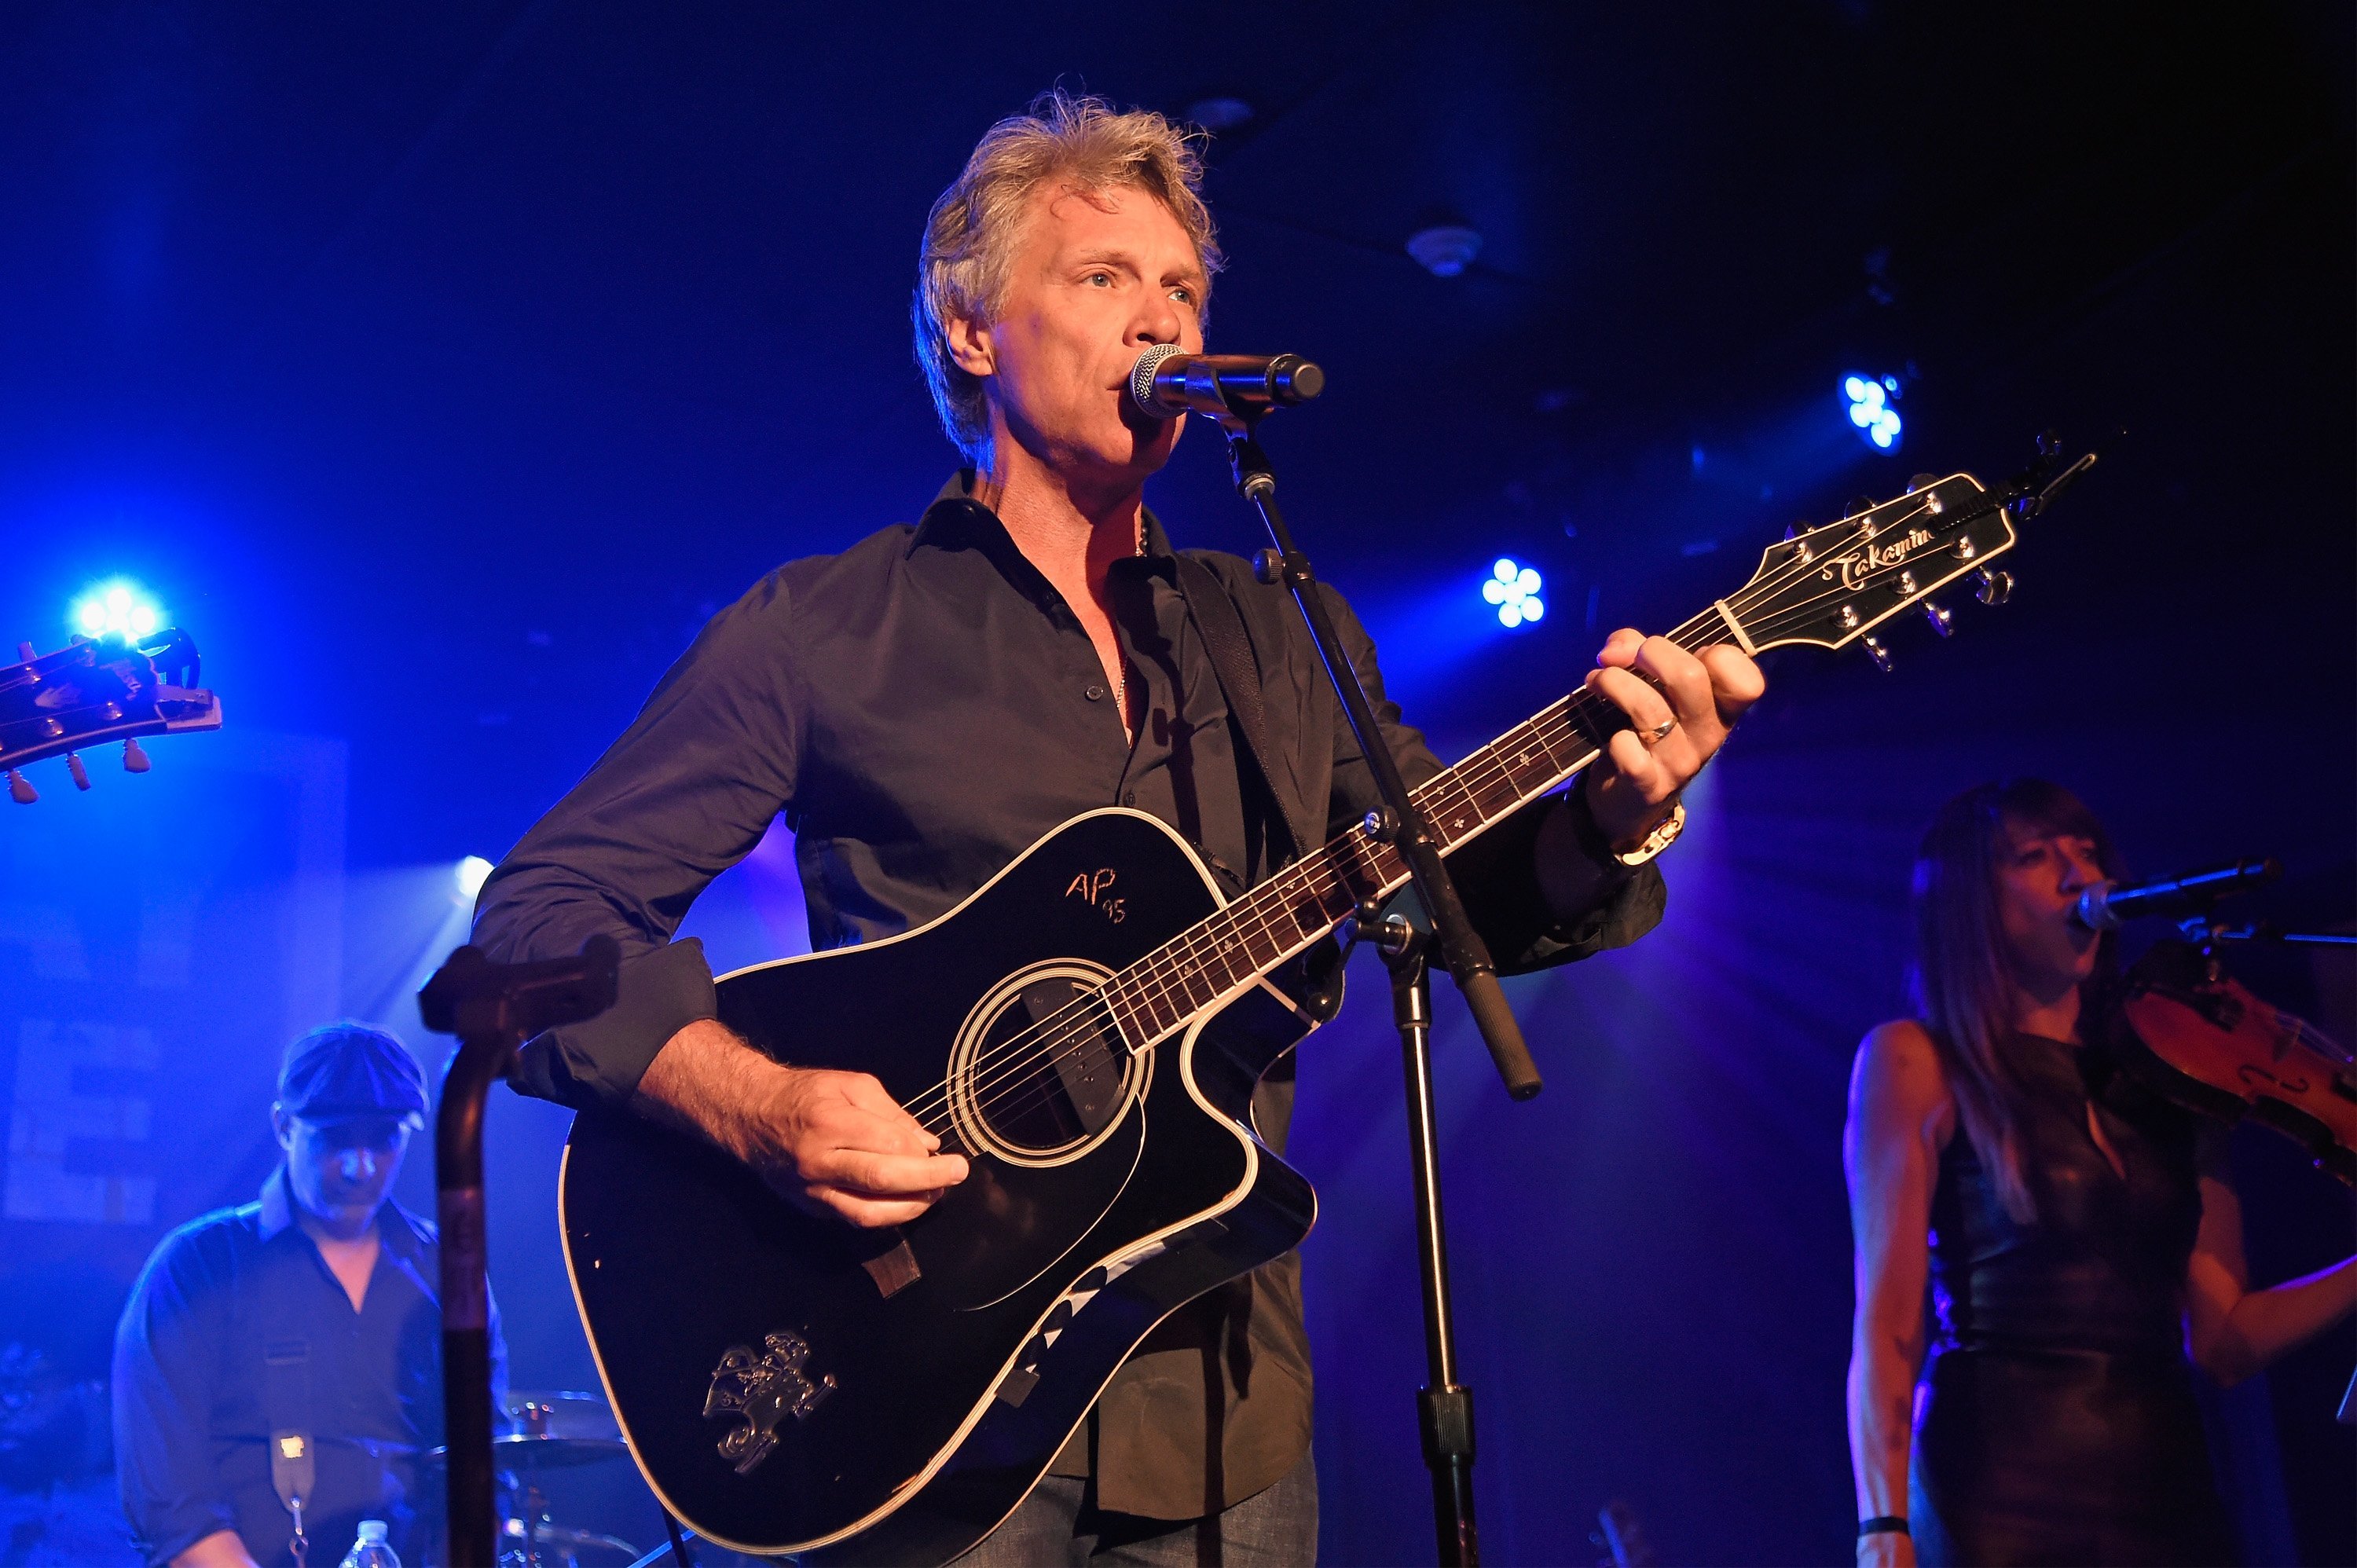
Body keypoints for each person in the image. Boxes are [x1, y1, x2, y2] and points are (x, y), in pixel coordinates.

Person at [474, 90, 1762, 1565]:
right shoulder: (826, 630)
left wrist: (1609, 820)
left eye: (1185, 288)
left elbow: (1454, 893)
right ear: (973, 331)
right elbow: (531, 927)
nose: (1161, 316)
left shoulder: (1278, 632)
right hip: (917, 1408)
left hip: (1222, 1397)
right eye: (1104, 279)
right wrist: (758, 1106)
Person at [1844, 779, 2357, 1567]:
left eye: (2088, 852)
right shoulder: (1916, 1059)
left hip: (2170, 1493)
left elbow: (2225, 1340)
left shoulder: (2174, 1077)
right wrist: (1883, 1529)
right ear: (1968, 900)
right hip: (1994, 1495)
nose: (2081, 875)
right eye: (2035, 856)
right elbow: (1888, 1325)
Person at [113, 1024, 506, 1568]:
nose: (360, 1166)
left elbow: (489, 1466)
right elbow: (173, 1509)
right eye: (336, 1137)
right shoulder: (196, 1269)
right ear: (283, 1126)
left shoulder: (450, 1272)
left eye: (384, 1139)